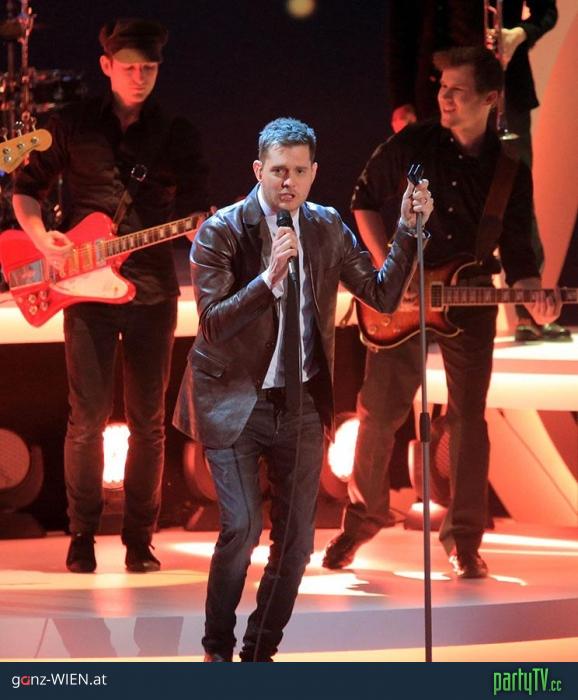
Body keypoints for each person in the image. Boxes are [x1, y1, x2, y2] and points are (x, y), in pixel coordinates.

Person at [173, 117, 433, 661]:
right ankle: (216, 650)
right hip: (233, 400)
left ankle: (259, 654)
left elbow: (383, 297)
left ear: (314, 173)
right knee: (243, 528)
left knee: (295, 545)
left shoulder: (326, 226)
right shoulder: (221, 231)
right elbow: (213, 324)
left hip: (300, 402)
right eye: (277, 171)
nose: (287, 181)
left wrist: (409, 230)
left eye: (298, 171)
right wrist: (268, 279)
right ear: (257, 170)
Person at [322, 47, 561, 578]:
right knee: (377, 413)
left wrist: (533, 295)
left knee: (468, 419)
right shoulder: (416, 143)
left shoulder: (508, 170)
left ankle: (464, 541)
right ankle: (360, 522)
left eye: (456, 90)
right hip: (402, 298)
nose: (444, 98)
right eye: (442, 87)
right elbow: (363, 199)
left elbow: (518, 252)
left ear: (490, 99)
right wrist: (388, 272)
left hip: (470, 297)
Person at [12, 18, 209, 573]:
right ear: (106, 66)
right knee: (86, 419)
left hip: (152, 289)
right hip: (83, 287)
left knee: (148, 422)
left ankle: (140, 540)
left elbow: (195, 213)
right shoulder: (73, 124)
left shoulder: (177, 133)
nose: (139, 77)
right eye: (129, 67)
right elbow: (26, 188)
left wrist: (202, 227)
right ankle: (81, 536)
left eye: (149, 68)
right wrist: (41, 240)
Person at [386, 0, 568, 341]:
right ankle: (434, 312)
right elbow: (402, 29)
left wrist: (519, 34)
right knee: (437, 199)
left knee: (516, 198)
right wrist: (401, 99)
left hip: (505, 88)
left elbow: (547, 12)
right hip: (441, 92)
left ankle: (530, 309)